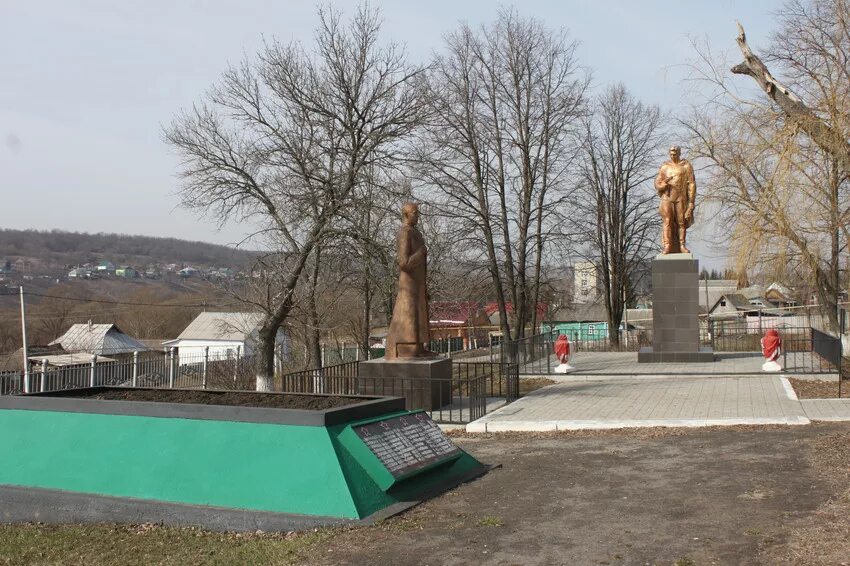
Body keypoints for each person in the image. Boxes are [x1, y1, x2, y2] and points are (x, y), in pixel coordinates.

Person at [385, 203, 435, 360]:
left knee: (419, 312)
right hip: (409, 283)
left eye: (418, 213)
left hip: (418, 282)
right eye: (415, 213)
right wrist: (421, 253)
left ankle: (419, 346)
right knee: (409, 312)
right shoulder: (405, 233)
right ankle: (407, 347)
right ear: (406, 214)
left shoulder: (416, 233)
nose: (418, 215)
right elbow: (403, 262)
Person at [654, 146, 697, 254]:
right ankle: (667, 245)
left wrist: (691, 201)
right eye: (671, 154)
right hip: (667, 198)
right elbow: (657, 182)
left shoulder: (686, 166)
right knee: (667, 221)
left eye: (675, 153)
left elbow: (691, 183)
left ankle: (682, 245)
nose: (673, 156)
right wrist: (662, 186)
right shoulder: (665, 167)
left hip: (681, 198)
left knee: (681, 222)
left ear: (679, 153)